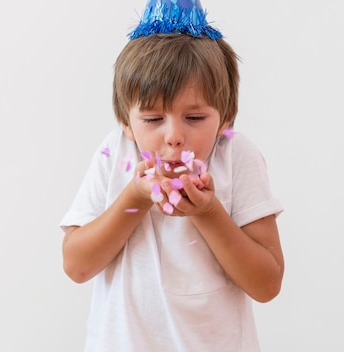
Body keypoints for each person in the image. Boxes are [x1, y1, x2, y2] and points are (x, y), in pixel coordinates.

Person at [59, 0, 285, 350]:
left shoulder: (236, 156)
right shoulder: (114, 153)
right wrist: (134, 198)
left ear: (225, 119)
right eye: (152, 119)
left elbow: (267, 284)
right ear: (126, 122)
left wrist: (208, 213)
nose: (174, 136)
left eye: (195, 118)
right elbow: (77, 266)